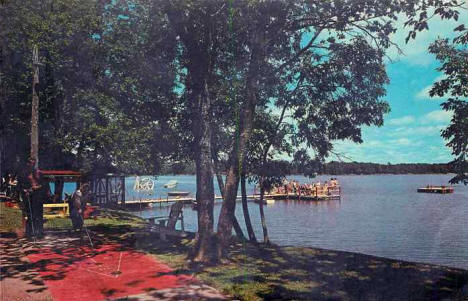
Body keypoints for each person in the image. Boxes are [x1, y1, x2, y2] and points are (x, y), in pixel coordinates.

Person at [18, 158, 44, 239]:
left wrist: (36, 187)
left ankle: (39, 232)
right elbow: (20, 186)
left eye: (33, 163)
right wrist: (25, 190)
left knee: (38, 214)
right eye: (30, 163)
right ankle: (29, 233)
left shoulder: (38, 173)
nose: (32, 165)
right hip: (28, 196)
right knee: (30, 215)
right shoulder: (23, 174)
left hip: (38, 196)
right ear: (27, 163)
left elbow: (43, 185)